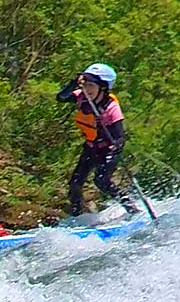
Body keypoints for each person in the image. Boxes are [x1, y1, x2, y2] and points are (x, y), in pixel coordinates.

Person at [56, 63, 140, 217]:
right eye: (85, 85)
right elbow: (61, 97)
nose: (87, 89)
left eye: (91, 86)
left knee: (101, 180)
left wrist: (114, 150)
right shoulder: (82, 97)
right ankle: (77, 216)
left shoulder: (111, 107)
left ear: (102, 87)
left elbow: (119, 136)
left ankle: (131, 208)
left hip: (109, 149)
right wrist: (74, 82)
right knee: (75, 183)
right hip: (91, 147)